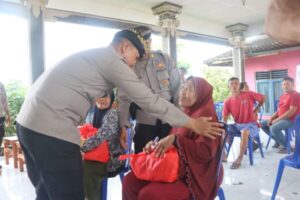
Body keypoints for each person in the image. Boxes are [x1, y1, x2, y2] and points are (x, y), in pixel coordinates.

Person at [16, 29, 223, 199]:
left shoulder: (98, 57)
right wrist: (192, 124)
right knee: (68, 194)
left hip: (28, 126)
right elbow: (146, 100)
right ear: (124, 47)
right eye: (134, 57)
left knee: (45, 193)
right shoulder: (113, 61)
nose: (133, 64)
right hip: (51, 129)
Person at [122, 77, 223, 200]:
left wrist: (176, 140)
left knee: (148, 194)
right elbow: (172, 142)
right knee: (130, 182)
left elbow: (205, 152)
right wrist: (155, 146)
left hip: (194, 176)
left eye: (190, 89)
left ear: (201, 94)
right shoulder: (185, 113)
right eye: (184, 87)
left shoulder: (206, 115)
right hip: (174, 168)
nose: (183, 92)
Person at [118, 26, 182, 153]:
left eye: (146, 43)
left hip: (169, 120)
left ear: (150, 42)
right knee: (143, 160)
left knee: (171, 159)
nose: (143, 48)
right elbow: (123, 99)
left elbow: (177, 89)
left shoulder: (164, 59)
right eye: (139, 45)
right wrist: (123, 126)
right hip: (145, 123)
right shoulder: (128, 66)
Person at [82, 92, 125, 200]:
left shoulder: (112, 114)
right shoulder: (92, 112)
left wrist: (83, 145)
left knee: (85, 167)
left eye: (105, 97)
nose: (102, 100)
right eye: (99, 96)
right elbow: (87, 130)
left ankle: (92, 197)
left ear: (111, 98)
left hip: (112, 158)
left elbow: (102, 136)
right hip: (96, 153)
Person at [223, 77, 265, 169]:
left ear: (239, 85)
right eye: (232, 84)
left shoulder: (248, 94)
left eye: (236, 83)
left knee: (245, 131)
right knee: (219, 129)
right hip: (238, 125)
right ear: (228, 86)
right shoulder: (227, 101)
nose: (234, 85)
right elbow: (225, 118)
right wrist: (224, 131)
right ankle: (224, 156)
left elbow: (263, 98)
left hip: (252, 124)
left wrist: (256, 109)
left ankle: (239, 159)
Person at [261, 76, 300, 153]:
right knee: (262, 124)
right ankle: (278, 141)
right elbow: (279, 110)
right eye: (284, 84)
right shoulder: (283, 96)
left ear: (293, 85)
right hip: (283, 118)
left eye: (288, 84)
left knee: (273, 128)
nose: (285, 86)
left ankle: (287, 146)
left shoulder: (296, 95)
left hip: (292, 120)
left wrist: (277, 119)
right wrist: (271, 118)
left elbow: (291, 111)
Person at [0, 81, 10, 150]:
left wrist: (8, 114)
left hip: (0, 117)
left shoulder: (0, 85)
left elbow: (4, 100)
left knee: (0, 136)